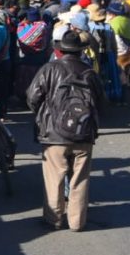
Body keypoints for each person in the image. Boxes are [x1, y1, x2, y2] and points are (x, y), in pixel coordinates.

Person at [26, 31, 105, 232]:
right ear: (80, 51)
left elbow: (32, 97)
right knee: (80, 180)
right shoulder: (90, 72)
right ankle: (77, 222)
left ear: (60, 51)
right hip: (83, 133)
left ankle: (54, 220)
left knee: (55, 179)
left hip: (54, 134)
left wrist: (43, 114)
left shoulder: (50, 69)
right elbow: (101, 101)